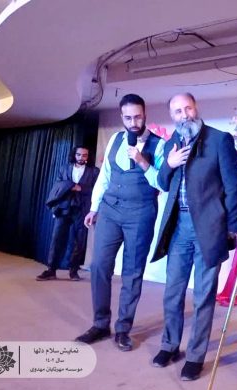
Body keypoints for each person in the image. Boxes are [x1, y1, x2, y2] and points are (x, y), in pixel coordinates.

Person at [150, 93, 237, 381]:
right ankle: (169, 345)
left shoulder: (219, 140)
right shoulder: (171, 144)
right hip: (179, 228)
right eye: (177, 111)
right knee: (173, 292)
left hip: (209, 228)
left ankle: (195, 356)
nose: (184, 115)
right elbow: (162, 182)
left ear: (196, 108)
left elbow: (233, 186)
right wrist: (169, 164)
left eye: (187, 108)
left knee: (203, 296)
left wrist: (232, 228)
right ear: (172, 116)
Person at [75, 94, 165, 352]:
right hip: (110, 210)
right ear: (122, 117)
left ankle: (123, 328)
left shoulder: (159, 145)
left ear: (145, 114)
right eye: (128, 118)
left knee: (132, 272)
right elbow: (105, 175)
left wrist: (142, 160)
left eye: (137, 117)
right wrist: (94, 207)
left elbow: (161, 183)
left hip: (141, 213)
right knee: (99, 266)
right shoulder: (115, 139)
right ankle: (100, 324)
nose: (133, 122)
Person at [38, 146, 99, 281]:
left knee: (79, 241)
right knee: (57, 238)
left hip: (82, 209)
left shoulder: (94, 171)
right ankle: (51, 270)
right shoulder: (64, 168)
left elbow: (98, 190)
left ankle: (73, 271)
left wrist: (80, 188)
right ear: (74, 155)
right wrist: (69, 185)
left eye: (84, 155)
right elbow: (57, 186)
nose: (81, 157)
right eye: (79, 155)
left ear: (88, 157)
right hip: (64, 207)